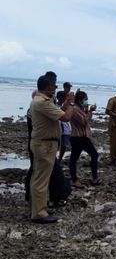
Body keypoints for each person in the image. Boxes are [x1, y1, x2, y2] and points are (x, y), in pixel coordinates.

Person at [29, 75, 73, 224]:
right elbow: (66, 117)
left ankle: (39, 208)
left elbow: (58, 113)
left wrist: (66, 103)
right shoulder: (42, 102)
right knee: (41, 180)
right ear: (48, 87)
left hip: (44, 144)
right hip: (44, 145)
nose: (55, 88)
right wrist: (71, 104)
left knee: (40, 178)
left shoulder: (41, 101)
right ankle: (39, 213)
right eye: (54, 85)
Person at [69, 91, 101, 188]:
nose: (86, 101)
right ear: (79, 100)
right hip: (78, 137)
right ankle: (76, 179)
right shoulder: (75, 109)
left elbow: (86, 120)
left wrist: (88, 110)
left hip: (82, 136)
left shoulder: (80, 108)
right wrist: (90, 111)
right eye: (85, 99)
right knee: (91, 155)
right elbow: (84, 122)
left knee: (76, 158)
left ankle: (91, 177)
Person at [56, 91, 71, 162]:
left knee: (64, 145)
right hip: (57, 129)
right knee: (57, 144)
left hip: (65, 129)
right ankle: (55, 158)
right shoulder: (55, 106)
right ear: (58, 98)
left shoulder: (65, 106)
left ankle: (60, 158)